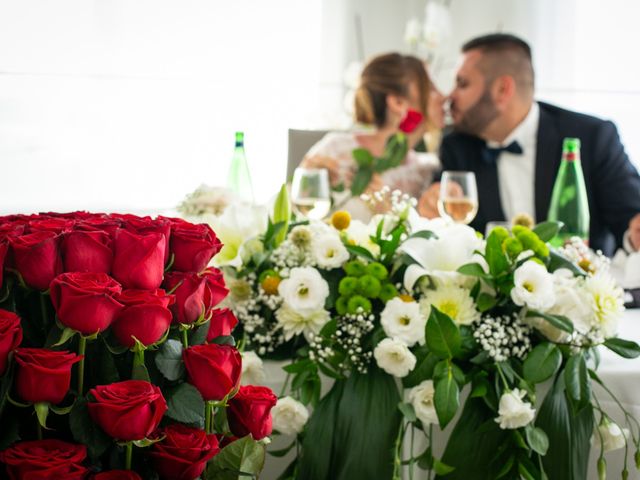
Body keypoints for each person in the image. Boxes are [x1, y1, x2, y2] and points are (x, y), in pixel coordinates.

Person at [417, 33, 640, 255]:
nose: (450, 96)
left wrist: (633, 236)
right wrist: (431, 212)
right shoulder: (456, 147)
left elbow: (629, 221)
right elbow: (447, 238)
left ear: (503, 90)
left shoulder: (592, 136)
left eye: (462, 84)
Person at [301, 52, 445, 220]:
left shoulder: (429, 170)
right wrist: (307, 182)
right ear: (398, 102)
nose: (443, 96)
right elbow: (292, 217)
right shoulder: (335, 148)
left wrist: (386, 212)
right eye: (431, 88)